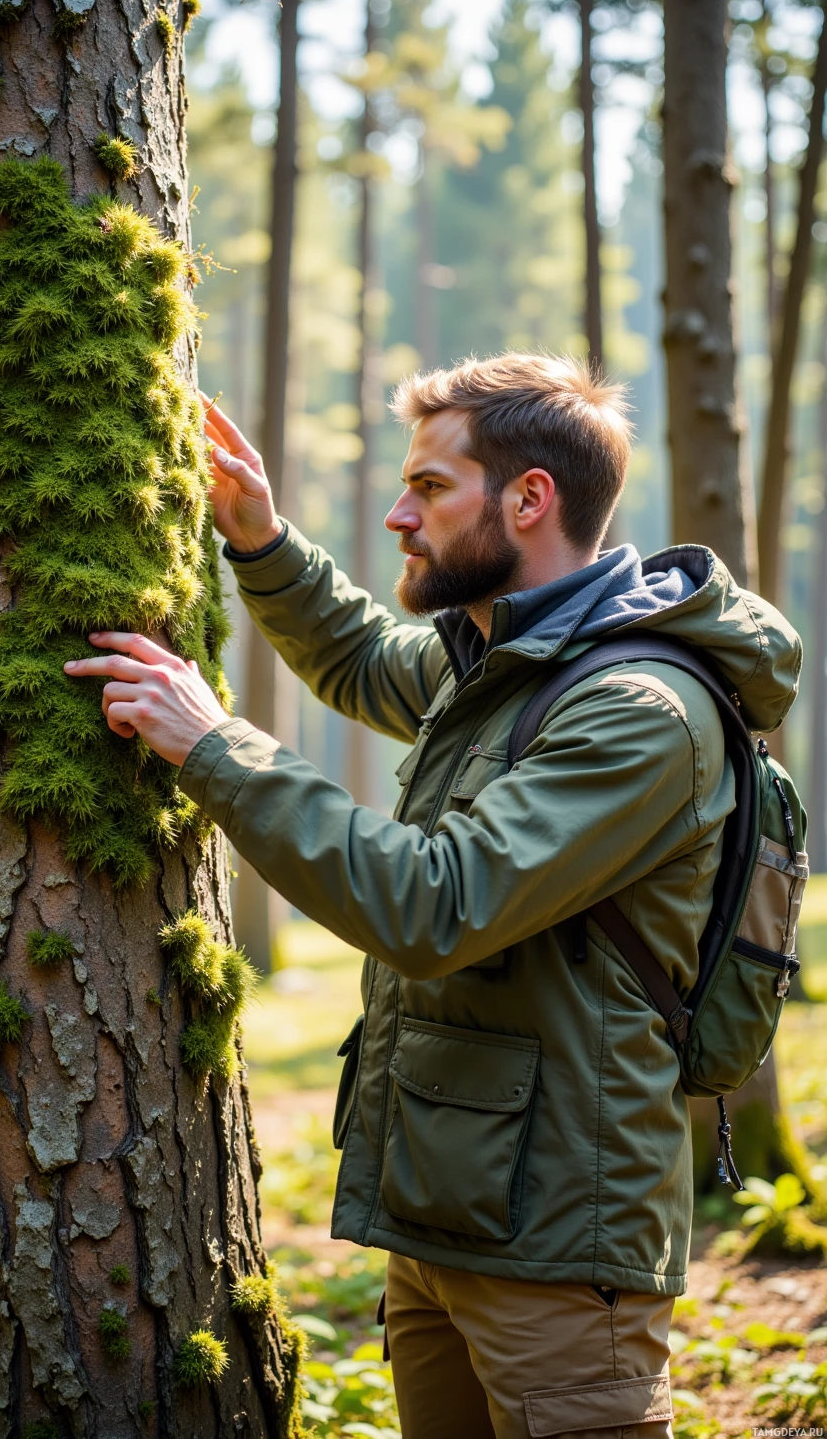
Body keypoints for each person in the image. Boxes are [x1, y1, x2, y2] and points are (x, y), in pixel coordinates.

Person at [65, 353, 801, 1439]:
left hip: (560, 1242)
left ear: (529, 498)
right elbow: (365, 660)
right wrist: (260, 540)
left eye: (428, 487)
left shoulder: (637, 710)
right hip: (450, 1212)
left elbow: (435, 905)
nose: (398, 513)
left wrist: (215, 747)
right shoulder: (508, 658)